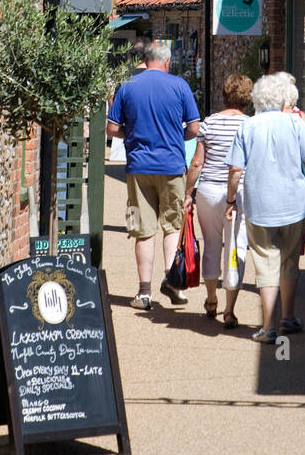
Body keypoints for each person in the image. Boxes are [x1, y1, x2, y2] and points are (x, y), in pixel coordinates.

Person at [225, 72, 305, 343]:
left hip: (260, 204)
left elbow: (235, 170)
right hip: (294, 203)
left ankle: (268, 327)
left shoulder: (248, 126)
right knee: (290, 261)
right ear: (282, 98)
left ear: (257, 97)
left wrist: (231, 200)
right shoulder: (294, 123)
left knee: (266, 262)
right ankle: (288, 317)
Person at [107, 40, 200, 310]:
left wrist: (133, 136)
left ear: (145, 60)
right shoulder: (180, 86)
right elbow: (194, 129)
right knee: (172, 227)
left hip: (138, 168)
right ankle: (172, 282)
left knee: (143, 231)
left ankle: (144, 292)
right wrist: (175, 137)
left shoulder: (127, 86)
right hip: (172, 166)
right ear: (167, 62)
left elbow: (112, 129)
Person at [183, 72, 252, 328]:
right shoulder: (251, 125)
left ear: (225, 95)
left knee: (211, 244)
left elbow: (197, 162)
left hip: (209, 190)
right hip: (239, 191)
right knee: (236, 246)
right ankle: (230, 309)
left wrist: (188, 193)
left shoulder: (209, 123)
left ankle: (211, 299)